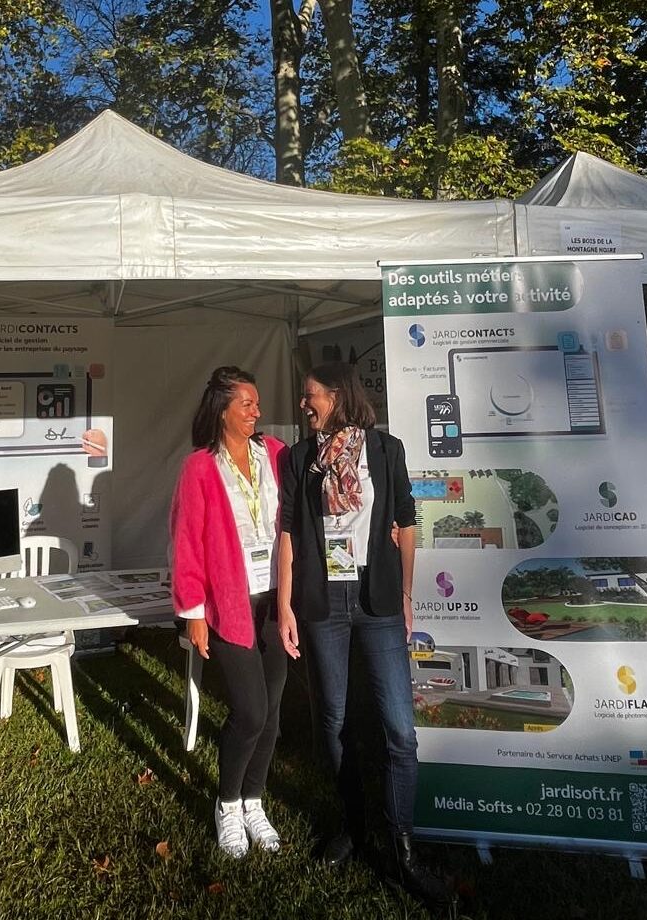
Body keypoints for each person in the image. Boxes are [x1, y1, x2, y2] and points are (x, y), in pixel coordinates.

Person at [276, 362, 447, 905]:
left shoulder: (386, 450)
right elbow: (288, 532)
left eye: (310, 395)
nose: (304, 405)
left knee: (400, 729)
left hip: (377, 601)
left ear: (337, 395)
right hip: (323, 601)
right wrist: (284, 605)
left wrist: (407, 594)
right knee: (332, 721)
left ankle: (402, 850)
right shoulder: (299, 459)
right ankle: (353, 826)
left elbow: (406, 520)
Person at [169, 366, 288, 857]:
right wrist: (194, 612)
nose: (257, 411)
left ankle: (254, 801)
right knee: (251, 710)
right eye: (247, 404)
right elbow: (186, 542)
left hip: (277, 601)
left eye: (257, 403)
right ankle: (228, 802)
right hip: (229, 603)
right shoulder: (199, 467)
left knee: (273, 713)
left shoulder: (275, 452)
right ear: (222, 410)